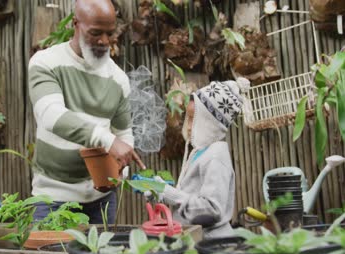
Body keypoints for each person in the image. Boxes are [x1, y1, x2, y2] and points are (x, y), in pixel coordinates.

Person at [28, 0, 145, 224]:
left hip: (102, 199)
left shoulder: (118, 79)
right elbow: (51, 115)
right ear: (75, 24)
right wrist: (108, 141)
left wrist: (121, 165)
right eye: (95, 33)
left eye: (109, 34)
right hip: (53, 198)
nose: (104, 41)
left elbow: (123, 134)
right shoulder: (45, 62)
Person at [148, 78, 249, 238]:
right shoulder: (200, 151)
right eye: (187, 118)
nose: (188, 126)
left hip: (210, 244)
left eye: (193, 119)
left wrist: (171, 195)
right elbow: (191, 196)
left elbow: (212, 209)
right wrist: (161, 190)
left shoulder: (216, 156)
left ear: (211, 122)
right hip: (195, 238)